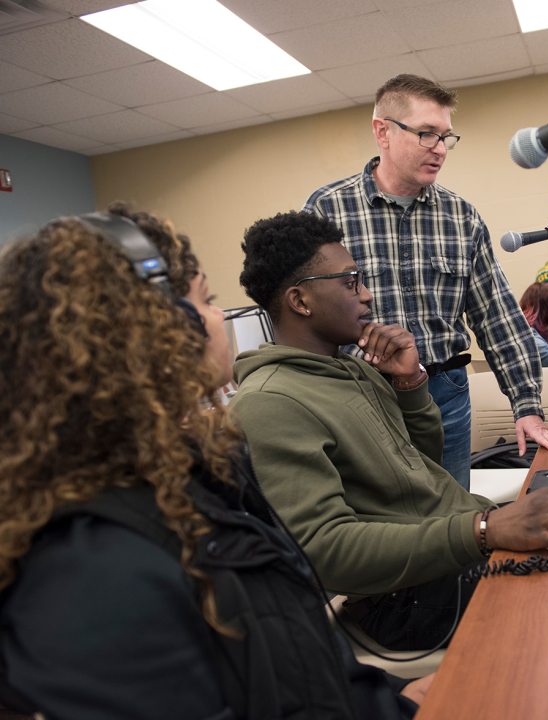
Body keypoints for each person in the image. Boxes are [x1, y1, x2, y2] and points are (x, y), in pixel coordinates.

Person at [0, 206, 427, 719]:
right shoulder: (95, 572)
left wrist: (391, 696)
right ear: (162, 329)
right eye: (206, 301)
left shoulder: (193, 473)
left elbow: (284, 654)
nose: (219, 318)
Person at [230, 211, 548, 651]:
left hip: (448, 558)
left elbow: (420, 466)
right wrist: (485, 529)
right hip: (404, 600)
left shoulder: (351, 368)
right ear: (300, 300)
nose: (367, 296)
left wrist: (410, 383)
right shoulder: (270, 402)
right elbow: (325, 551)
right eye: (350, 283)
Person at [303, 74, 548, 490]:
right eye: (427, 134)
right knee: (384, 530)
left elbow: (496, 316)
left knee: (456, 521)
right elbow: (305, 318)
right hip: (358, 398)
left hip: (443, 392)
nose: (441, 150)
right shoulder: (326, 209)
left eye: (447, 137)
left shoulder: (460, 217)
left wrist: (527, 406)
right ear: (382, 132)